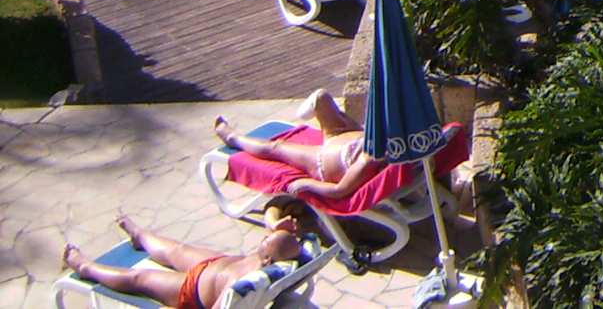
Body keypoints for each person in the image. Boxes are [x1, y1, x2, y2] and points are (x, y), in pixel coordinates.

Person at [64, 208, 308, 309]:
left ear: (268, 259)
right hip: (215, 264)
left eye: (265, 242)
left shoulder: (244, 284)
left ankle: (86, 267)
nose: (263, 239)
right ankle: (140, 236)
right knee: (177, 250)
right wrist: (282, 231)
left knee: (141, 278)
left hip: (193, 290)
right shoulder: (270, 260)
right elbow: (279, 246)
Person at [214, 89, 379, 203]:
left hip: (324, 159)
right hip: (347, 137)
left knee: (275, 148)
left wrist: (306, 184)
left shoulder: (368, 160)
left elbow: (339, 190)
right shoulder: (389, 143)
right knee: (322, 97)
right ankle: (317, 106)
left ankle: (233, 138)